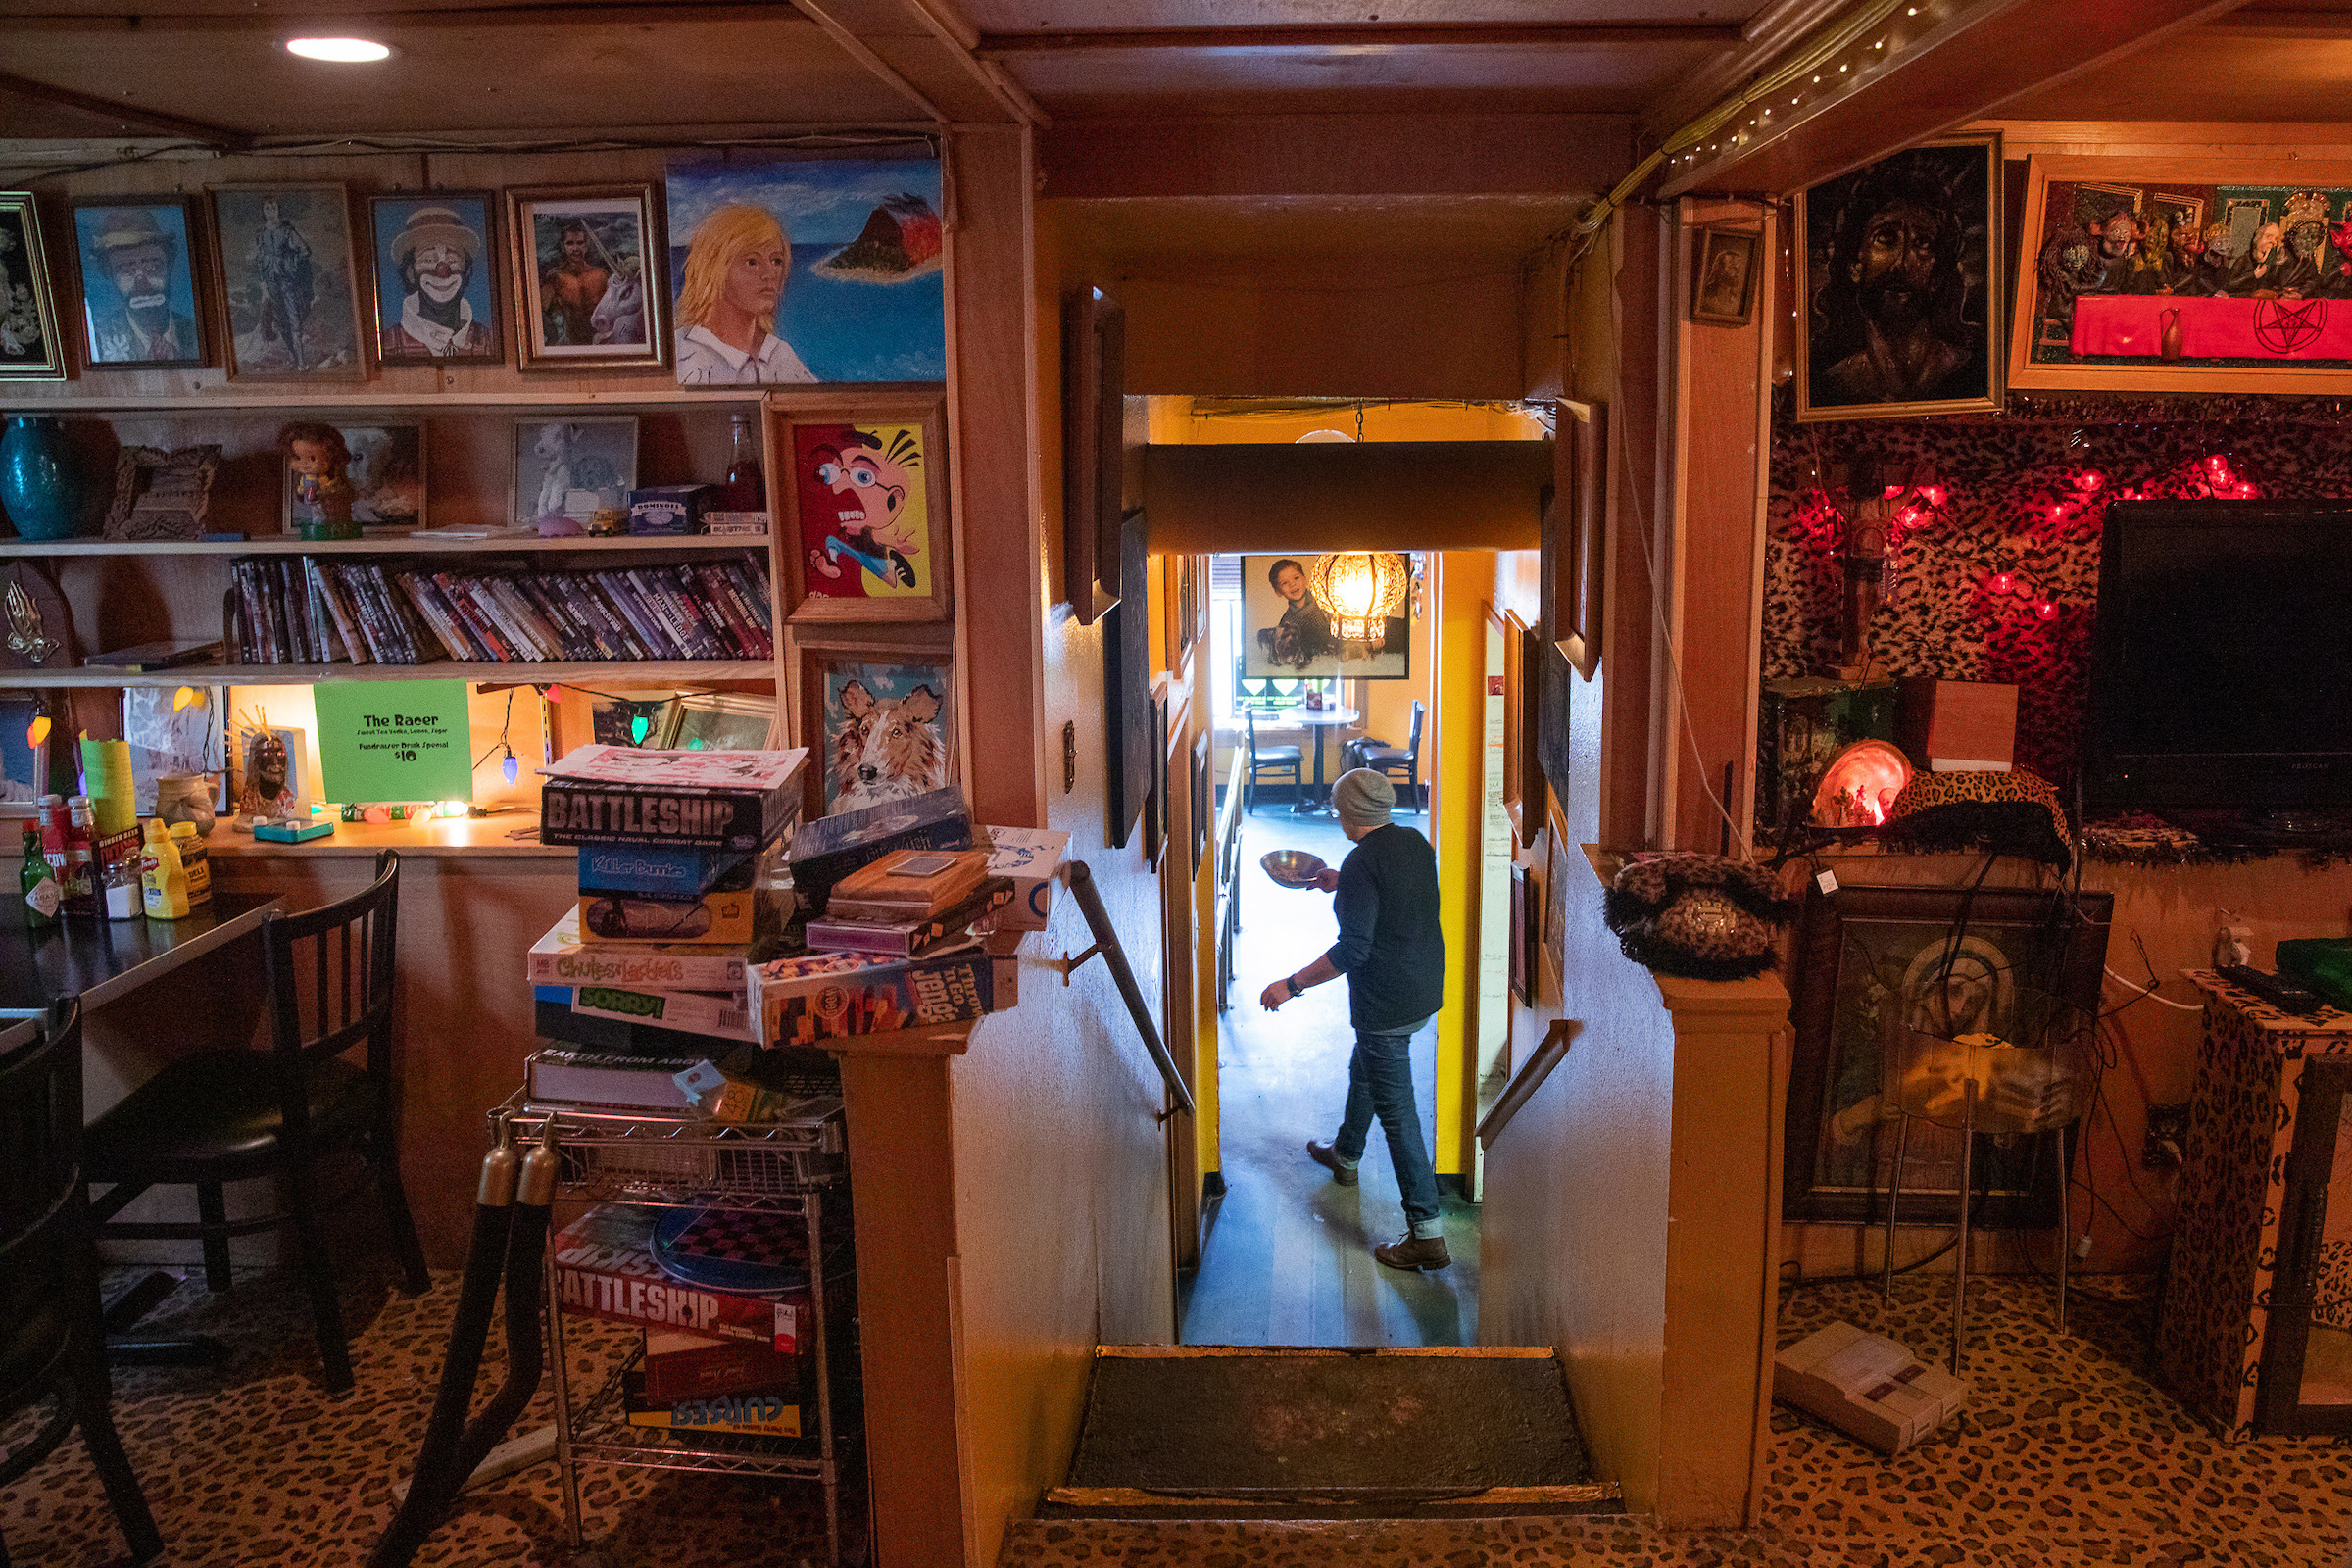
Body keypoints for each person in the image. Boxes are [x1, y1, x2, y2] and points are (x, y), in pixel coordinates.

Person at [1258, 768, 1450, 1272]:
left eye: (1340, 809)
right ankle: (1345, 1155)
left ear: (1352, 814)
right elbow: (1395, 894)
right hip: (1423, 985)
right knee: (1365, 1067)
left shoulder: (1362, 862)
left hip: (1384, 1000)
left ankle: (1426, 1233)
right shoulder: (1413, 840)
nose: (1337, 817)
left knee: (1399, 1114)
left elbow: (1353, 950)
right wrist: (1343, 882)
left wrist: (1291, 985)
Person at [1809, 158, 1984, 407]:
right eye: (1885, 238)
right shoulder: (1832, 386)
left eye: (1922, 243)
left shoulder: (1970, 374)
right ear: (1855, 265)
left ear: (1937, 274)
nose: (1901, 263)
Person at [674, 203, 817, 385]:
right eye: (752, 261)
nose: (770, 274)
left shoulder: (779, 355)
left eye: (776, 260)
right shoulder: (686, 353)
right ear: (715, 268)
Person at [805, 425, 922, 590]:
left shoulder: (870, 532)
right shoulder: (844, 527)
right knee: (834, 542)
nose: (840, 487)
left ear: (893, 498)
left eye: (863, 477)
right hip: (862, 563)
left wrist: (895, 543)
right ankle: (834, 564)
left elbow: (880, 538)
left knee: (883, 573)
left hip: (876, 564)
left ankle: (891, 567)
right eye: (830, 473)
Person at [378, 205, 495, 359]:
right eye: (429, 259)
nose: (442, 271)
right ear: (411, 272)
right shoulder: (387, 345)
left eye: (451, 259)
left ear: (465, 269)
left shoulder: (489, 342)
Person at [83, 207, 199, 363]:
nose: (141, 283)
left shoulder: (196, 331)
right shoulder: (99, 338)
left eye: (152, 267)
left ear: (168, 266)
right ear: (109, 274)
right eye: (126, 270)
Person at [250, 195, 315, 371]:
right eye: (267, 209)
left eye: (274, 208)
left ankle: (302, 362)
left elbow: (304, 251)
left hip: (288, 282)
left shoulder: (287, 232)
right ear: (263, 211)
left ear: (278, 210)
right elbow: (260, 260)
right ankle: (294, 357)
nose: (271, 212)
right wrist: (263, 282)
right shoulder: (261, 235)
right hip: (271, 284)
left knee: (294, 320)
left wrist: (289, 264)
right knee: (281, 321)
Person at [1255, 556, 1333, 672]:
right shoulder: (1286, 622)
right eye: (1284, 583)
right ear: (1278, 591)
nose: (1292, 585)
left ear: (1305, 579)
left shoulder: (1327, 604)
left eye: (1296, 578)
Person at [541, 221, 611, 345]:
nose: (575, 248)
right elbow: (540, 312)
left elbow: (613, 310)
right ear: (563, 247)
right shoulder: (556, 277)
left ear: (586, 245)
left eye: (580, 243)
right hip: (570, 343)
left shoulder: (601, 276)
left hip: (600, 342)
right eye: (570, 243)